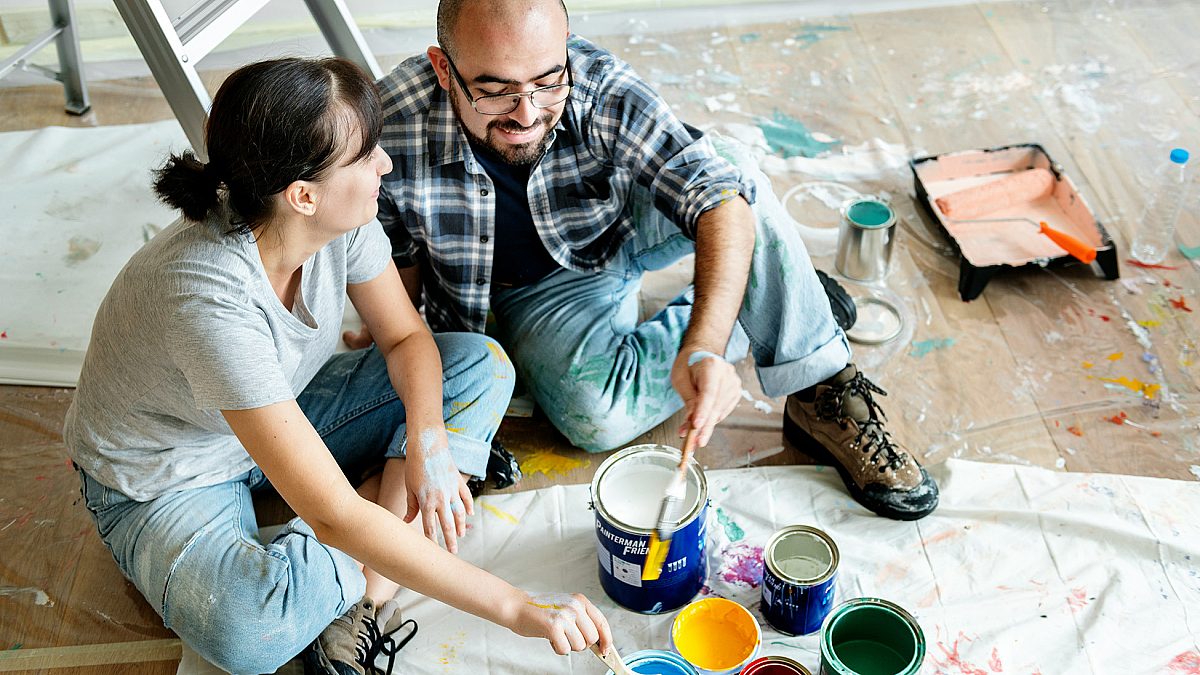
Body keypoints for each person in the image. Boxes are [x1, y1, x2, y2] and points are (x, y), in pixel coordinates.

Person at [63, 57, 611, 675]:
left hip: (280, 408)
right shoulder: (209, 300)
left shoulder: (332, 220)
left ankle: (362, 599)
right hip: (169, 474)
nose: (386, 163)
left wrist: (428, 440)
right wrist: (517, 610)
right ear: (303, 195)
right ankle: (396, 523)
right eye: (367, 153)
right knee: (250, 632)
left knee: (477, 364)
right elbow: (333, 515)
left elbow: (406, 338)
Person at [360, 0, 939, 521]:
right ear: (442, 68)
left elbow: (714, 194)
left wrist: (704, 344)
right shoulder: (389, 127)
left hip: (620, 226)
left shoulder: (596, 83)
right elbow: (397, 261)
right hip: (529, 287)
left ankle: (819, 386)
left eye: (546, 81)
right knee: (594, 418)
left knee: (732, 173)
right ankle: (781, 300)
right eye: (494, 90)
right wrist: (404, 339)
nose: (529, 114)